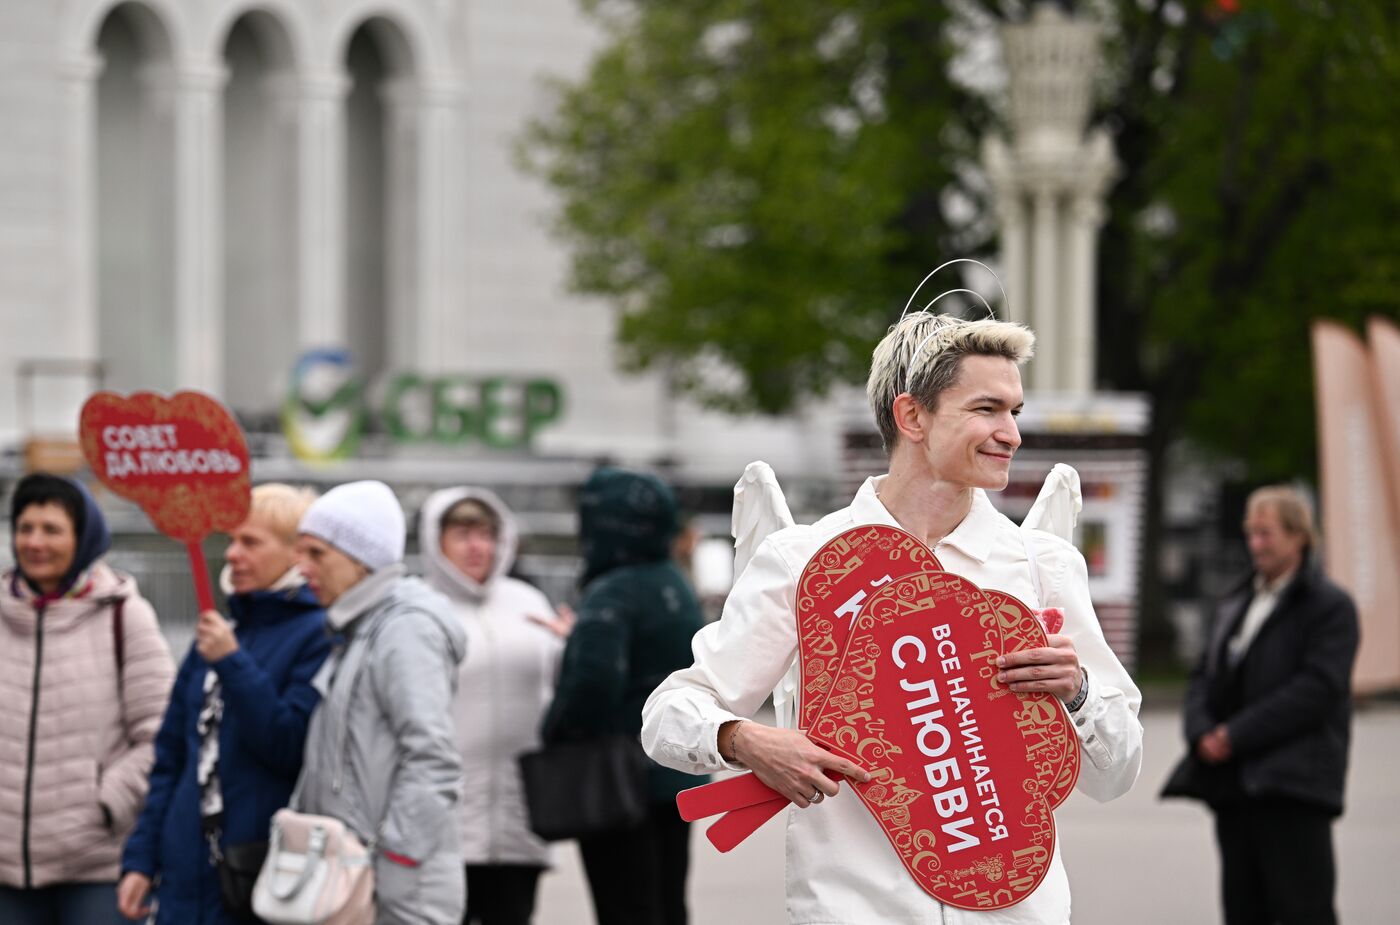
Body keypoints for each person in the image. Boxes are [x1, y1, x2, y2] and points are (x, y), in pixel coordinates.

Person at [641, 312, 1144, 924]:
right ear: (912, 417)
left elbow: (1114, 775)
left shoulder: (1042, 565)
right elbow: (668, 713)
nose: (1011, 433)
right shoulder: (804, 563)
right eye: (987, 409)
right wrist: (743, 739)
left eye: (1015, 411)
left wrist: (1080, 693)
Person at [117, 483, 332, 923]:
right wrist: (142, 859)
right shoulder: (216, 634)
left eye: (250, 542)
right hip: (183, 877)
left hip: (257, 878)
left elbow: (288, 744)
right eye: (231, 540)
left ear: (297, 554)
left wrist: (233, 663)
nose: (232, 554)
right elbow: (172, 758)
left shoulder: (317, 635)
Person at [1163, 485, 1358, 925]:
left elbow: (1317, 690)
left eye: (1266, 534)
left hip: (1293, 789)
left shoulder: (1330, 607)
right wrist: (1201, 734)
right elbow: (1203, 676)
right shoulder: (1237, 600)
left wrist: (1234, 735)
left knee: (1301, 911)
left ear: (1299, 536)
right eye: (1251, 533)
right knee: (1243, 911)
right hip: (1236, 790)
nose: (1256, 544)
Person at [0, 473, 174, 924]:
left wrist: (103, 805)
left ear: (83, 538)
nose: (34, 542)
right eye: (25, 528)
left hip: (96, 864)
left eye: (52, 530)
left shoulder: (124, 615)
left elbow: (160, 734)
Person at [294, 480, 467, 925]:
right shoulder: (359, 627)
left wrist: (397, 856)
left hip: (400, 892)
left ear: (361, 559)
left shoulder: (404, 630)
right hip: (359, 877)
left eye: (317, 554)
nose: (302, 568)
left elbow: (433, 758)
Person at [541, 467, 707, 925]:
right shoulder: (673, 583)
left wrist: (553, 734)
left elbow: (592, 683)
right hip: (674, 777)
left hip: (618, 784)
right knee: (667, 903)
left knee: (625, 909)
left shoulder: (610, 593)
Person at [419, 488, 570, 925]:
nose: (476, 547)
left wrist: (573, 648)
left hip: (520, 817)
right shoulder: (420, 608)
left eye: (486, 534)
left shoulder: (528, 603)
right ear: (436, 540)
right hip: (445, 824)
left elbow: (560, 690)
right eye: (462, 534)